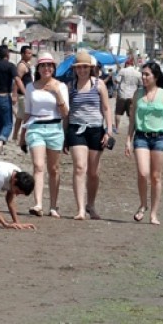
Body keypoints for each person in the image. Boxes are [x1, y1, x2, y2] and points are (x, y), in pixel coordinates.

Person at [125, 62, 163, 225]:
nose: (143, 77)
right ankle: (143, 204)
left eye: (147, 75)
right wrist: (128, 140)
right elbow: (131, 120)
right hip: (141, 137)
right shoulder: (137, 94)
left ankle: (154, 213)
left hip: (160, 138)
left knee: (156, 177)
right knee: (143, 173)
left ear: (155, 77)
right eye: (142, 74)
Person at [65, 50, 113, 220]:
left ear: (90, 68)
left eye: (85, 67)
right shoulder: (70, 86)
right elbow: (66, 112)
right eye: (79, 67)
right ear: (75, 69)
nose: (82, 70)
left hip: (95, 130)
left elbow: (106, 108)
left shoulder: (99, 85)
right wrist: (64, 134)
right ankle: (79, 209)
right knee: (79, 167)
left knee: (93, 172)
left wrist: (109, 130)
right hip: (76, 129)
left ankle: (90, 205)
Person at [20, 51, 68, 218]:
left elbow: (65, 113)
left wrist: (57, 92)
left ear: (53, 68)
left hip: (55, 128)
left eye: (49, 65)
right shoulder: (30, 87)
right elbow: (27, 112)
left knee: (54, 169)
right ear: (38, 68)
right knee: (38, 166)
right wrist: (22, 133)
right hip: (35, 127)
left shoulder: (60, 86)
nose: (46, 68)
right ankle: (38, 204)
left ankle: (53, 206)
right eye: (43, 65)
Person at [11, 45, 33, 142]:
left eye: (30, 53)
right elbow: (17, 80)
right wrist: (14, 94)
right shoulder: (21, 66)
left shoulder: (26, 64)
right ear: (22, 54)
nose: (30, 55)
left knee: (20, 117)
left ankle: (15, 136)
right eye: (28, 53)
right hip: (23, 95)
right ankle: (24, 137)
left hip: (25, 94)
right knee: (27, 117)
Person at [113, 61, 141, 134]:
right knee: (131, 114)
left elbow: (116, 81)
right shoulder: (138, 73)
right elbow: (140, 84)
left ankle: (117, 128)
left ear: (127, 64)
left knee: (118, 113)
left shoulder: (123, 71)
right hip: (132, 95)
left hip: (122, 94)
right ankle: (131, 129)